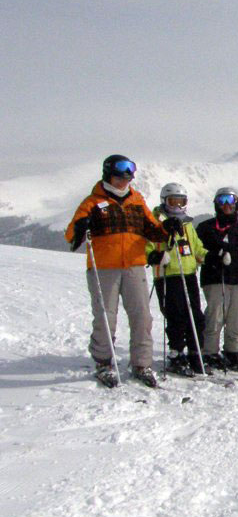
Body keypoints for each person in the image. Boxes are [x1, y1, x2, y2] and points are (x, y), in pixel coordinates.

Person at [65, 154, 171, 388]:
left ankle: (142, 364)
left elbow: (152, 230)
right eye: (120, 175)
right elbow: (71, 236)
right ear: (108, 174)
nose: (125, 180)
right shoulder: (92, 202)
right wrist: (81, 228)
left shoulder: (136, 201)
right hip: (104, 268)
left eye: (129, 175)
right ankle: (104, 362)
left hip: (133, 266)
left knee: (142, 316)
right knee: (106, 317)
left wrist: (166, 231)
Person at [146, 183, 208, 376]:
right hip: (168, 274)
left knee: (195, 315)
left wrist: (209, 257)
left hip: (188, 273)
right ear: (164, 201)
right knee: (176, 315)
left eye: (181, 202)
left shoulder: (187, 223)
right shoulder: (156, 220)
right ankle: (176, 353)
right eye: (173, 201)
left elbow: (196, 246)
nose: (177, 206)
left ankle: (195, 351)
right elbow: (147, 244)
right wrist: (155, 256)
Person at [195, 187, 238, 371]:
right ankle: (210, 352)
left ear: (236, 204)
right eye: (222, 201)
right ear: (216, 204)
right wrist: (215, 257)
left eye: (231, 201)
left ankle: (233, 351)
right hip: (216, 278)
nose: (227, 205)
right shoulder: (206, 227)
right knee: (216, 316)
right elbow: (199, 252)